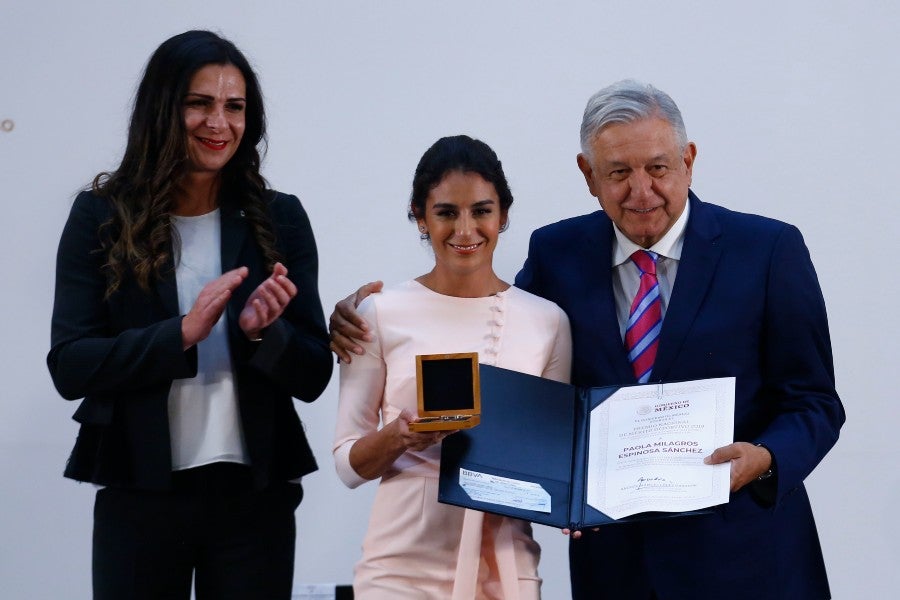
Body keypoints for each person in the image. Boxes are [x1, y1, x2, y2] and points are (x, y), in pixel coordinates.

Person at [329, 81, 845, 599]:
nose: (641, 191)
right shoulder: (558, 254)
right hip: (615, 567)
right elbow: (501, 343)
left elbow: (815, 402)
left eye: (658, 168)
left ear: (688, 160)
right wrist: (361, 318)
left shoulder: (769, 250)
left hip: (748, 559)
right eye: (619, 172)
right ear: (587, 174)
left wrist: (765, 458)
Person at [47, 30, 333, 599]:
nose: (218, 124)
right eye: (198, 104)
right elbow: (70, 366)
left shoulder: (280, 219)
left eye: (235, 107)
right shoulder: (99, 217)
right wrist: (179, 334)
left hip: (256, 498)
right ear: (162, 108)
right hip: (140, 493)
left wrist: (261, 335)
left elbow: (314, 375)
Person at [333, 135, 572, 599]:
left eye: (481, 210)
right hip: (401, 564)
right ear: (419, 217)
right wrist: (399, 436)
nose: (465, 230)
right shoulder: (380, 312)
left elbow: (553, 457)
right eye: (446, 212)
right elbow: (346, 464)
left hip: (506, 559)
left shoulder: (548, 321)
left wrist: (576, 503)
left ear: (503, 214)